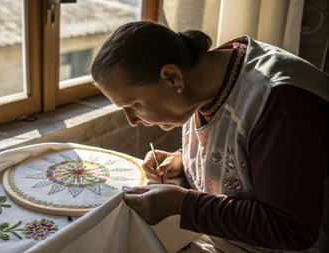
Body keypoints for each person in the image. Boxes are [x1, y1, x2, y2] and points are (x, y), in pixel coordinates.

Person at [90, 21, 328, 252]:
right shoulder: (206, 81)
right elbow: (250, 155)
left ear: (172, 77)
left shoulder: (280, 105)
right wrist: (183, 160)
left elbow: (292, 229)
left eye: (134, 105)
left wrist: (182, 204)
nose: (132, 120)